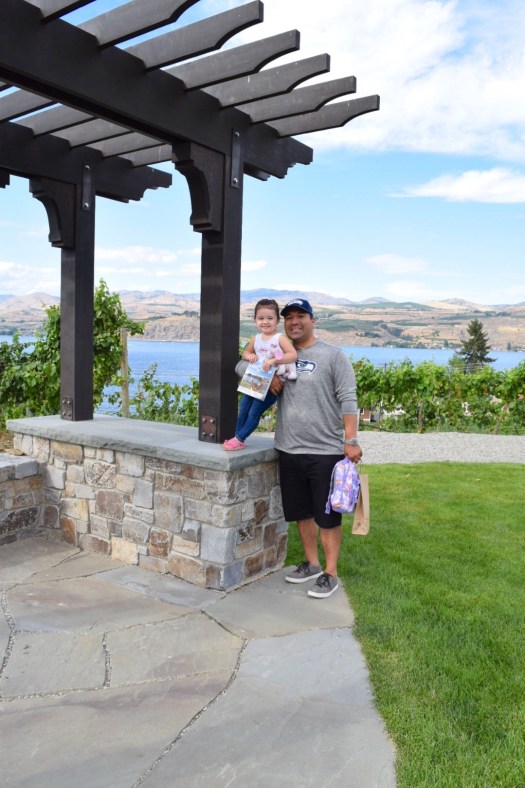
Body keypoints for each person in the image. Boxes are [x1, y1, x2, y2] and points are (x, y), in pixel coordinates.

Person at [237, 297, 362, 598]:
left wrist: (351, 440)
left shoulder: (333, 355)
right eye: (289, 317)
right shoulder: (275, 351)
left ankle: (330, 573)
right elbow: (240, 364)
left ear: (313, 320)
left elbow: (348, 399)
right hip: (288, 448)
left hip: (325, 450)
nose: (294, 321)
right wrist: (266, 376)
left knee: (327, 516)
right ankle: (312, 563)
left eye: (301, 316)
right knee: (302, 513)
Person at [224, 298, 297, 451]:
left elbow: (292, 355)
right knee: (243, 409)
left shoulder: (280, 338)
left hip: (271, 383)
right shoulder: (256, 339)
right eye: (261, 318)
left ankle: (239, 439)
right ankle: (237, 438)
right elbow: (245, 352)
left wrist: (274, 361)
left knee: (254, 412)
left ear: (277, 320)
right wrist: (249, 356)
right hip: (254, 378)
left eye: (270, 318)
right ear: (255, 320)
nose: (265, 322)